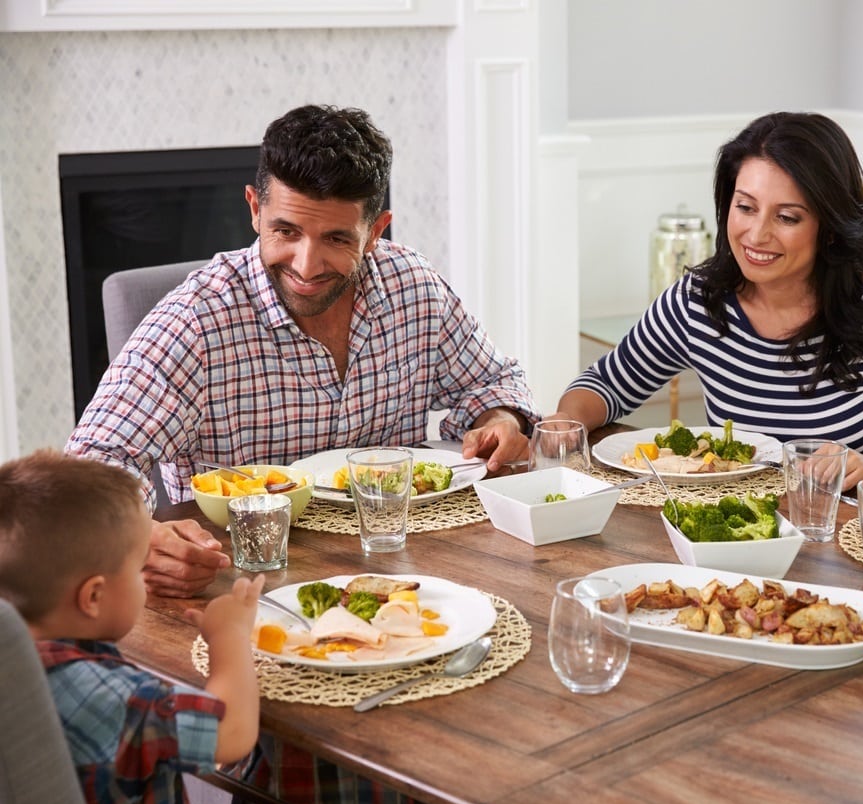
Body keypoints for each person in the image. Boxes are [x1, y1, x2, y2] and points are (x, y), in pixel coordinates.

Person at [67, 104, 541, 597]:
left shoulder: (413, 286)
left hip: (401, 574)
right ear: (255, 208)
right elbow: (90, 469)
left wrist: (501, 419)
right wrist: (136, 539)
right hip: (247, 587)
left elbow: (496, 381)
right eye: (286, 231)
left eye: (336, 238)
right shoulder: (195, 321)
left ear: (375, 232)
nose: (306, 265)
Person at [550, 111, 863, 491]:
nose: (757, 234)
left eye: (787, 217)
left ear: (831, 226)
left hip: (848, 543)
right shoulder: (698, 301)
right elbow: (604, 385)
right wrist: (564, 427)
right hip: (731, 540)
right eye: (745, 207)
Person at [0, 449, 263, 804]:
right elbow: (233, 734)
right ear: (93, 597)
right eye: (141, 566)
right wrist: (231, 637)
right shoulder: (115, 696)